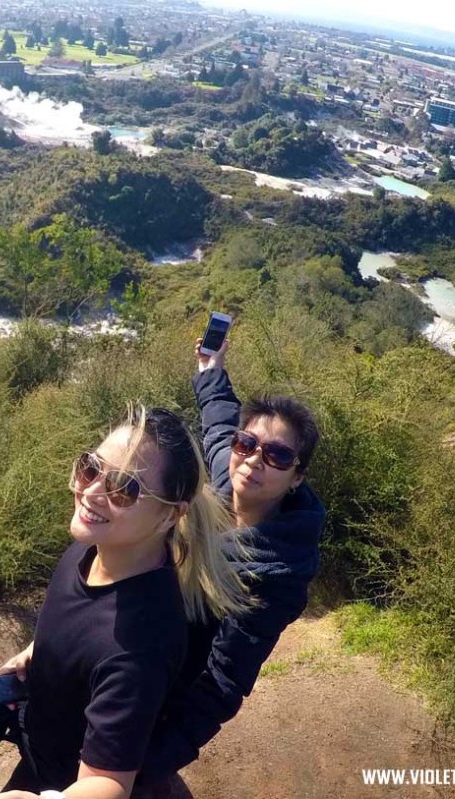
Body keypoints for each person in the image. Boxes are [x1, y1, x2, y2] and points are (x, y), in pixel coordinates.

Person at [0, 404, 251, 799]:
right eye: (91, 468)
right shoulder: (99, 548)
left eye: (125, 488)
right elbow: (87, 623)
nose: (92, 492)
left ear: (169, 516)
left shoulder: (137, 646)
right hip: (43, 753)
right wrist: (39, 651)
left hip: (65, 783)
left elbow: (109, 782)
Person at [134, 334, 326, 798]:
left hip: (164, 698)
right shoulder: (225, 471)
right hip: (131, 647)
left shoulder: (278, 572)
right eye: (248, 443)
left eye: (277, 455)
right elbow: (219, 419)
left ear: (297, 475)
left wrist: (150, 762)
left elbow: (222, 683)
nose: (254, 458)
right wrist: (210, 368)